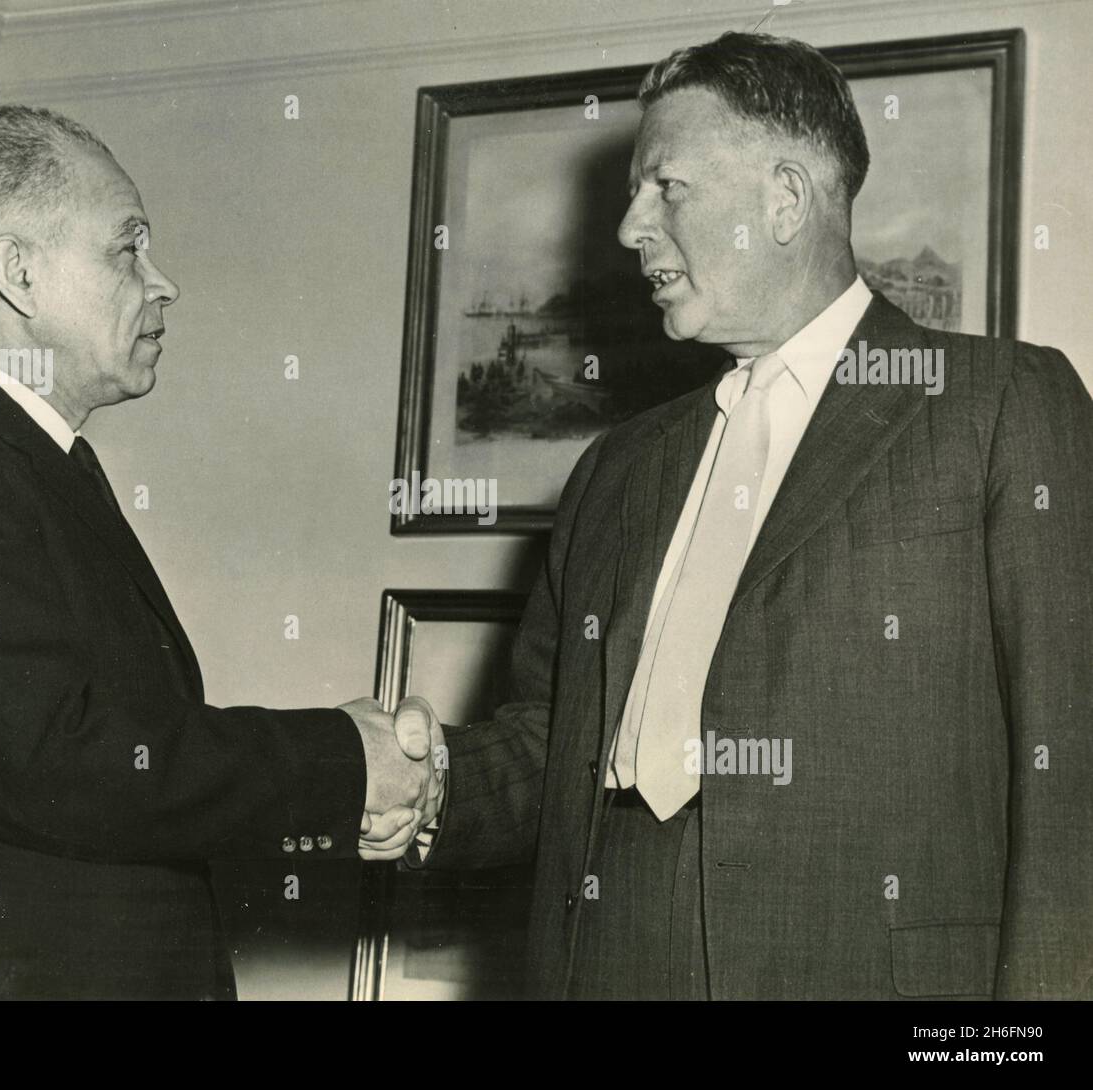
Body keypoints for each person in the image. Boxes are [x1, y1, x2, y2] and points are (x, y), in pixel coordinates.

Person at [365, 31, 1093, 1000]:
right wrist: (431, 782)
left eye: (664, 188)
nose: (629, 227)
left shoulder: (1001, 406)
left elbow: (1070, 784)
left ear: (783, 199)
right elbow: (557, 738)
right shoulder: (614, 471)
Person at [0, 105, 438, 999]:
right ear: (17, 273)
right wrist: (342, 760)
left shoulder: (21, 459)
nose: (163, 281)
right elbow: (58, 760)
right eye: (127, 248)